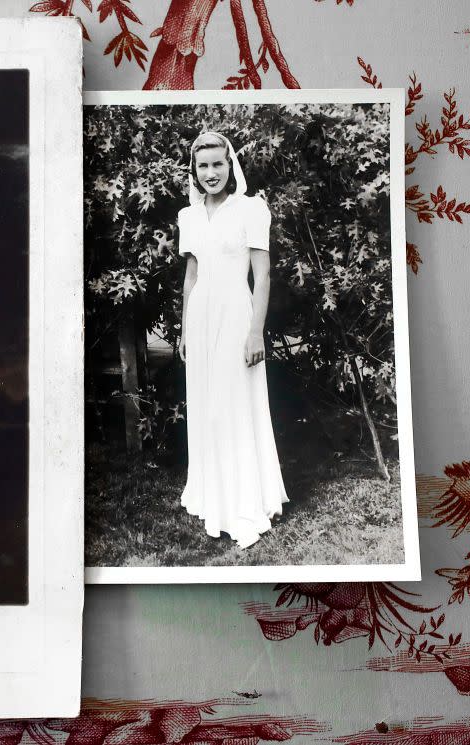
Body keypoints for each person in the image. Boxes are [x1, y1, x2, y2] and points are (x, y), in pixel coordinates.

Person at [177, 131, 288, 549]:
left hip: (237, 314)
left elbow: (263, 276)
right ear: (195, 170)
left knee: (232, 405)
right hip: (202, 316)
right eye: (203, 166)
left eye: (217, 164)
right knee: (207, 407)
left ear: (230, 165)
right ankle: (213, 497)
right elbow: (191, 277)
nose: (211, 173)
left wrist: (256, 330)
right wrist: (185, 330)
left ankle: (243, 502)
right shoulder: (189, 217)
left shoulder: (251, 209)